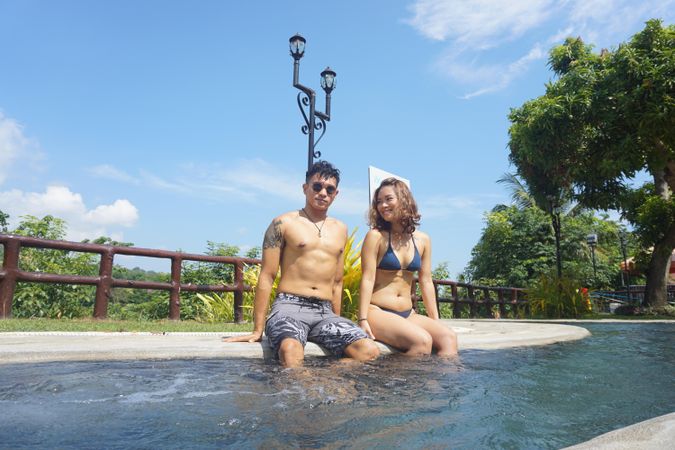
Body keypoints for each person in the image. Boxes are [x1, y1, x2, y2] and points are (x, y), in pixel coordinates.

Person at [224, 161, 380, 367]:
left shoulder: (340, 228)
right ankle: (307, 391)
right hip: (289, 308)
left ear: (336, 194)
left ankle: (321, 379)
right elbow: (267, 276)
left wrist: (335, 320)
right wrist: (257, 329)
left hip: (325, 312)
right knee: (290, 351)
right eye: (317, 186)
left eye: (329, 189)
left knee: (369, 351)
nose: (323, 192)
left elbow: (338, 281)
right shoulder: (283, 223)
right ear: (305, 188)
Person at [358, 177, 458, 356]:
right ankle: (403, 384)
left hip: (408, 313)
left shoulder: (423, 240)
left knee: (448, 338)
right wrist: (362, 318)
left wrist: (435, 321)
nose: (383, 205)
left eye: (389, 199)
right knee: (422, 342)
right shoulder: (375, 237)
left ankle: (441, 384)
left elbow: (426, 282)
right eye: (379, 202)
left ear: (404, 200)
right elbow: (367, 278)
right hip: (378, 311)